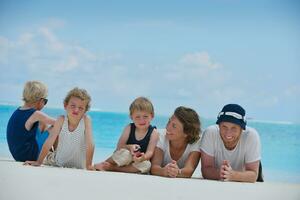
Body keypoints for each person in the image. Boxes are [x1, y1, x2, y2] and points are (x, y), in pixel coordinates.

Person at [24, 87, 95, 170]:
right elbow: (49, 141)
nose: (76, 110)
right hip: (58, 161)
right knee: (49, 155)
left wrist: (89, 165)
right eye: (73, 106)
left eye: (81, 108)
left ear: (85, 110)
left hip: (80, 164)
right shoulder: (61, 120)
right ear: (65, 105)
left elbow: (90, 144)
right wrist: (39, 162)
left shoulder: (86, 120)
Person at [94, 96, 159, 174]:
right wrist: (130, 147)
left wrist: (143, 157)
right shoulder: (129, 128)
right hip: (125, 156)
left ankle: (113, 168)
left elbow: (150, 152)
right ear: (131, 117)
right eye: (137, 117)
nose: (141, 120)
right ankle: (104, 163)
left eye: (145, 116)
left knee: (147, 165)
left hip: (138, 160)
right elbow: (119, 146)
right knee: (126, 155)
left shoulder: (153, 132)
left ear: (152, 116)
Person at [200, 104, 262, 183]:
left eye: (234, 128)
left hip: (243, 179)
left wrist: (232, 175)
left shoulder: (251, 136)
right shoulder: (210, 133)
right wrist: (221, 173)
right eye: (224, 127)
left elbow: (253, 175)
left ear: (241, 129)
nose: (228, 133)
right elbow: (205, 170)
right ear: (219, 126)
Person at [7, 81, 55, 162]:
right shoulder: (35, 114)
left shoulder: (18, 111)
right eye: (45, 101)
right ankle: (55, 156)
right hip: (29, 155)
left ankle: (50, 153)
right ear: (40, 100)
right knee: (57, 127)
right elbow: (57, 122)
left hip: (17, 156)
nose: (44, 104)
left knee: (42, 123)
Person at [151, 106, 201, 178]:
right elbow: (154, 167)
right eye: (169, 122)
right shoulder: (161, 137)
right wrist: (164, 171)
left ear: (186, 133)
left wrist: (177, 172)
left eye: (174, 126)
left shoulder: (195, 143)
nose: (167, 127)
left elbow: (189, 170)